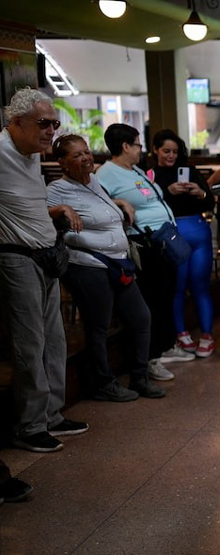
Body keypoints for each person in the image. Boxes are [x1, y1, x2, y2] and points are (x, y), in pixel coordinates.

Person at [0, 88, 88, 452]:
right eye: (43, 123)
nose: (51, 130)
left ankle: (51, 414)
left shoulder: (31, 154)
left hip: (46, 254)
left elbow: (26, 203)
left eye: (54, 123)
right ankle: (29, 425)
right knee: (29, 344)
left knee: (55, 339)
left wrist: (56, 211)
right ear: (15, 122)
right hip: (16, 257)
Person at [48, 134, 164, 402]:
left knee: (141, 317)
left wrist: (120, 203)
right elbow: (39, 214)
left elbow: (103, 208)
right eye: (76, 155)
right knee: (98, 324)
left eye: (86, 152)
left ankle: (139, 376)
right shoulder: (57, 189)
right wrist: (60, 210)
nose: (85, 158)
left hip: (118, 260)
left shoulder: (96, 182)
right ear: (63, 163)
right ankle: (103, 382)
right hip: (87, 264)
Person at [97, 124, 183, 382]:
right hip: (143, 245)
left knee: (166, 296)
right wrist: (118, 203)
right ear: (125, 146)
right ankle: (149, 358)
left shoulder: (134, 169)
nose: (140, 149)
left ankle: (162, 347)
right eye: (137, 144)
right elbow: (98, 201)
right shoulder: (106, 174)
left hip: (163, 242)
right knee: (152, 301)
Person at [149, 129, 215, 359]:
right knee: (176, 288)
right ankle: (181, 333)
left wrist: (199, 193)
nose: (171, 156)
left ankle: (207, 335)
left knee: (200, 286)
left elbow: (210, 201)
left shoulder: (190, 171)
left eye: (175, 152)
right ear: (155, 149)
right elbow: (148, 205)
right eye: (166, 151)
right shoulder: (150, 175)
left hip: (197, 230)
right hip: (173, 234)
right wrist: (167, 192)